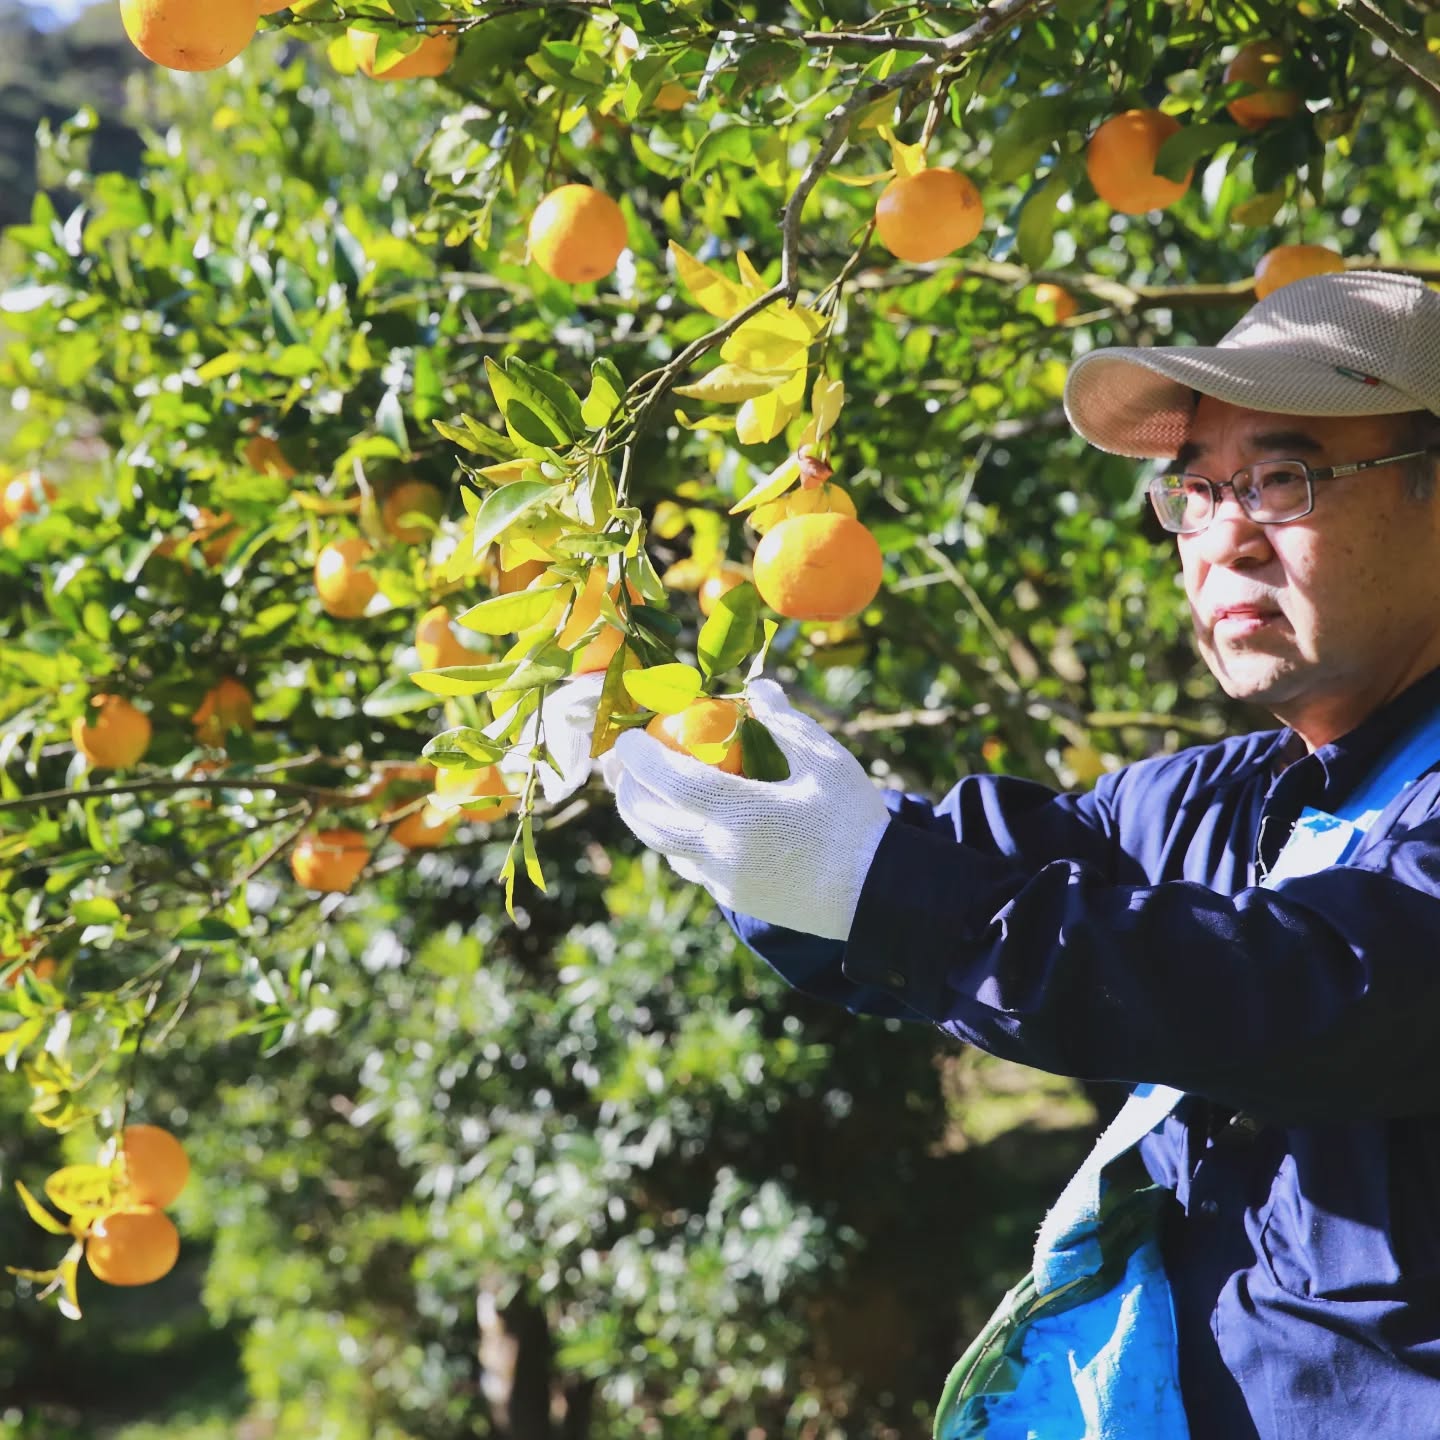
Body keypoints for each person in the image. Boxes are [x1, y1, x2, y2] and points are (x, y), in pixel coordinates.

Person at [548, 269, 1440, 1438]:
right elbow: (966, 875)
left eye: (1284, 479)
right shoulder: (1227, 806)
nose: (1223, 538)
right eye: (1196, 488)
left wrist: (884, 889)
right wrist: (725, 779)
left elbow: (1310, 990)